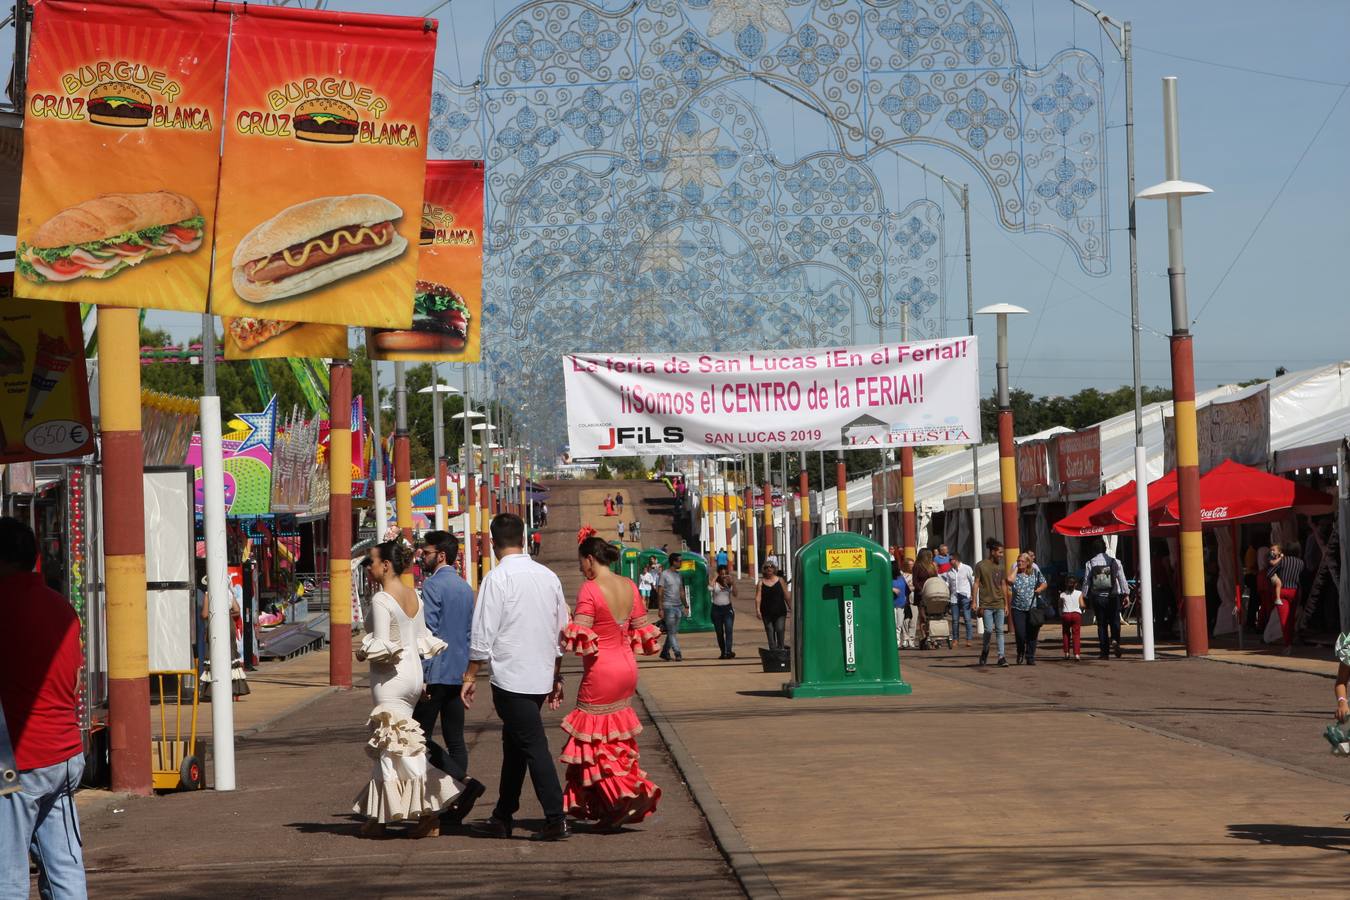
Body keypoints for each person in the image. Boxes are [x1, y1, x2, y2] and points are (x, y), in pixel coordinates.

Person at [465, 514, 571, 842]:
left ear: (492, 543)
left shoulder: (497, 579)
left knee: (532, 745)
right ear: (524, 539)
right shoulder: (548, 577)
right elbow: (562, 630)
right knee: (515, 744)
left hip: (511, 677)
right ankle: (502, 815)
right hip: (540, 674)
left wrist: (470, 675)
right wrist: (556, 674)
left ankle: (555, 817)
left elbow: (483, 633)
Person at [0, 517, 87, 899]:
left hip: (17, 764)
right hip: (65, 757)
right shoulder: (61, 607)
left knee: (7, 873)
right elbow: (76, 679)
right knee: (64, 866)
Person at [352, 539, 461, 838]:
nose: (369, 568)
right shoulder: (414, 595)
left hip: (391, 679)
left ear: (386, 565)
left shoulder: (382, 598)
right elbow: (421, 638)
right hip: (413, 674)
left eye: (372, 562)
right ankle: (380, 817)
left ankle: (428, 810)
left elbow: (382, 645)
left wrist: (361, 653)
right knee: (393, 744)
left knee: (394, 744)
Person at [559, 536, 662, 829]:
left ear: (590, 559)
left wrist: (566, 618)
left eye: (581, 562)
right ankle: (612, 804)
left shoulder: (590, 588)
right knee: (614, 739)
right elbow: (641, 627)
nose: (581, 568)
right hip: (627, 667)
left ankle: (618, 800)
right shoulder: (628, 585)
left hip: (601, 670)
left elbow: (581, 631)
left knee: (593, 739)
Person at [412, 531, 485, 828]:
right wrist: (469, 673)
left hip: (435, 671)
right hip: (458, 671)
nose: (422, 557)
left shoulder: (432, 585)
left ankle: (463, 785)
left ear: (441, 555)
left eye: (427, 552)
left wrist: (423, 673)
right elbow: (469, 633)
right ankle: (457, 801)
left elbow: (428, 632)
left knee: (418, 738)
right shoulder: (466, 588)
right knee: (456, 739)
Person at [200, 568, 250, 701]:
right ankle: (235, 689)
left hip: (215, 624)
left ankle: (214, 690)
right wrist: (226, 613)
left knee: (214, 654)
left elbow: (204, 614)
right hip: (229, 625)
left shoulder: (208, 594)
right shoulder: (228, 593)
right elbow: (237, 610)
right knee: (231, 654)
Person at [1083, 539, 1128, 659]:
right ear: (1105, 549)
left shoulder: (1090, 563)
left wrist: (1084, 596)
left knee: (1101, 624)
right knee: (1115, 621)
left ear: (1093, 550)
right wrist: (1126, 594)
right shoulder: (1114, 561)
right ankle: (1115, 639)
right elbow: (1122, 579)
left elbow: (1086, 582)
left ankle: (1104, 652)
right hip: (1113, 596)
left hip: (1098, 598)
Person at [972, 540, 1008, 667]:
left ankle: (1001, 656)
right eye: (1000, 552)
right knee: (988, 630)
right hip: (986, 604)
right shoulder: (980, 565)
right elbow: (976, 583)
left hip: (999, 603)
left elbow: (1003, 585)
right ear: (993, 552)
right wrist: (974, 601)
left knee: (1000, 630)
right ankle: (985, 650)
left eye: (1002, 553)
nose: (1001, 555)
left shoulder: (1001, 567)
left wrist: (1006, 604)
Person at [1007, 553, 1048, 665]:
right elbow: (1009, 580)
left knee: (1032, 633)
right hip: (1017, 608)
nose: (1020, 563)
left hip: (1032, 608)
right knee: (1020, 633)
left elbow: (1044, 583)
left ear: (1028, 562)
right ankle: (1020, 651)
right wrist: (1016, 568)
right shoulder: (1015, 574)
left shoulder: (1035, 572)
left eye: (1022, 561)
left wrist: (1040, 589)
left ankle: (1030, 657)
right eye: (1018, 561)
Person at [1267, 543, 1305, 656]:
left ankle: (1288, 645)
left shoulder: (1282, 561)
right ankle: (1290, 642)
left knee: (1284, 621)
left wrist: (1277, 580)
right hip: (1295, 592)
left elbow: (1269, 573)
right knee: (1291, 619)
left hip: (1282, 592)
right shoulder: (1301, 563)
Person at [656, 554, 689, 661]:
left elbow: (681, 592)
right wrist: (660, 608)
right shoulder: (664, 574)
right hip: (668, 606)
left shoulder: (679, 575)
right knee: (671, 632)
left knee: (673, 632)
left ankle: (665, 652)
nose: (681, 563)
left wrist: (686, 605)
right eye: (679, 561)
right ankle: (677, 652)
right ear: (673, 562)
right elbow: (660, 592)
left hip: (679, 607)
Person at [755, 561, 791, 651]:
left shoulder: (780, 580)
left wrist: (791, 607)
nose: (769, 568)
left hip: (780, 611)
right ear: (764, 570)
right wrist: (758, 610)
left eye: (771, 567)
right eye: (766, 567)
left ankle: (781, 648)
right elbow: (758, 597)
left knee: (780, 629)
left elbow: (786, 595)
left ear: (774, 569)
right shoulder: (760, 582)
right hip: (766, 612)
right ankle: (773, 651)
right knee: (770, 631)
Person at [943, 551, 975, 648]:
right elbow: (948, 584)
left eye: (950, 559)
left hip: (965, 595)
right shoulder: (949, 571)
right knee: (955, 620)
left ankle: (969, 639)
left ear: (956, 559)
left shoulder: (967, 568)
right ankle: (955, 639)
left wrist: (973, 596)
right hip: (954, 596)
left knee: (967, 618)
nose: (949, 561)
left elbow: (973, 582)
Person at [710, 565, 737, 659]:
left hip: (727, 609)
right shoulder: (715, 584)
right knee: (719, 632)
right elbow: (709, 588)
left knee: (729, 631)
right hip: (716, 610)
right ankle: (723, 652)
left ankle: (728, 651)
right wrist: (715, 577)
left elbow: (735, 594)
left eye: (725, 574)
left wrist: (733, 583)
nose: (724, 576)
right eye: (722, 574)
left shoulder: (729, 583)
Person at [1060, 576, 1085, 661]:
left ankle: (1066, 653)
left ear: (1066, 584)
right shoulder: (1079, 593)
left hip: (1066, 614)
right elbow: (1082, 605)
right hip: (1076, 614)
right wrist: (1084, 607)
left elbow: (1060, 605)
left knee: (1066, 634)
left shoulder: (1062, 594)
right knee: (1076, 635)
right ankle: (1077, 654)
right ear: (1076, 584)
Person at [891, 558, 912, 650]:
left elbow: (907, 590)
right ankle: (895, 642)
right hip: (891, 605)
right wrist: (892, 589)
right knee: (894, 624)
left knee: (899, 625)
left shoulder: (901, 578)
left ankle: (898, 642)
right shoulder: (886, 578)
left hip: (901, 604)